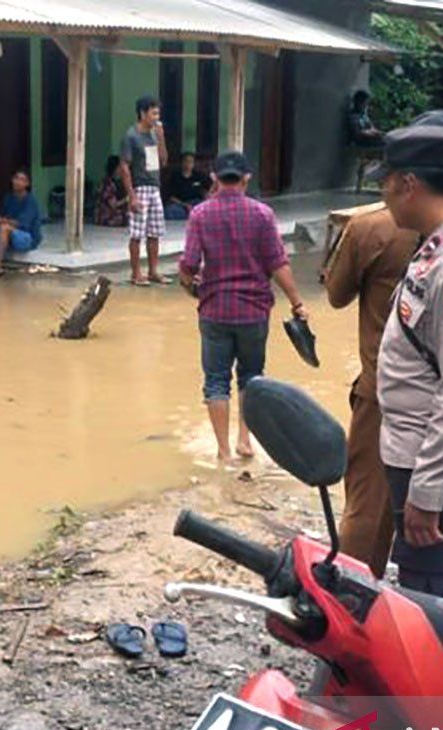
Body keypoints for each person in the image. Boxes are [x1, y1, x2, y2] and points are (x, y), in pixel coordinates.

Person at [326, 112, 443, 580]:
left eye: (386, 182)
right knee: (422, 565)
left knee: (434, 577)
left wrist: (428, 491)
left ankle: (363, 609)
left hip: (427, 440)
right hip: (415, 430)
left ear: (409, 183)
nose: (381, 194)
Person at [178, 150, 308, 464]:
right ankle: (245, 440)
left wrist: (190, 287)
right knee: (251, 376)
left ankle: (223, 451)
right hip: (254, 312)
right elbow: (278, 264)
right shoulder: (262, 214)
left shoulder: (200, 215)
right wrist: (297, 303)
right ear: (246, 178)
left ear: (214, 178)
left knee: (216, 381)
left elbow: (189, 265)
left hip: (214, 311)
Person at [120, 95, 170, 286]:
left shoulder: (154, 134)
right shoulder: (131, 136)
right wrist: (131, 195)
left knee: (155, 232)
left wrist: (161, 138)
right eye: (153, 113)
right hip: (139, 187)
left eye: (158, 113)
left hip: (155, 186)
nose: (156, 117)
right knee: (137, 233)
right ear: (143, 113)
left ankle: (153, 271)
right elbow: (124, 167)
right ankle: (136, 273)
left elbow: (164, 160)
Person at [0, 168, 42, 279]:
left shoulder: (30, 201)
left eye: (22, 180)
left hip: (28, 238)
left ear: (27, 184)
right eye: (16, 178)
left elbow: (20, 224)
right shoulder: (9, 197)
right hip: (12, 235)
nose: (18, 182)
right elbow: (4, 217)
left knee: (4, 227)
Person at [165, 151, 212, 220]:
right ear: (181, 163)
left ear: (193, 164)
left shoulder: (199, 176)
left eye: (190, 162)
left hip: (196, 204)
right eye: (185, 161)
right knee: (169, 211)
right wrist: (184, 205)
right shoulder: (175, 177)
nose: (188, 164)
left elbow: (208, 189)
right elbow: (170, 197)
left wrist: (206, 196)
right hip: (180, 205)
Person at [94, 155, 128, 227]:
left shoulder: (114, 182)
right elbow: (113, 205)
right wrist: (127, 199)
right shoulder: (107, 184)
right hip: (105, 216)